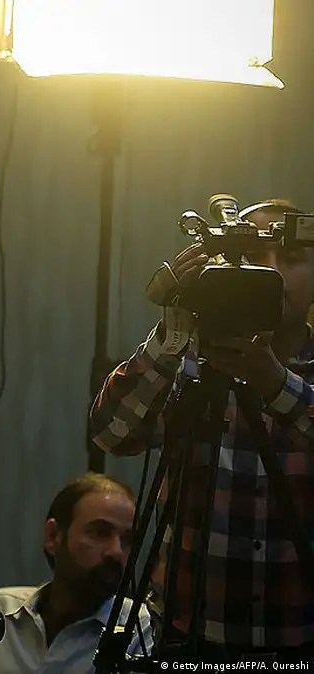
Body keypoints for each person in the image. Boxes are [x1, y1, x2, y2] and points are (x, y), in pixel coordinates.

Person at [91, 198, 314, 659]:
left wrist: (275, 383)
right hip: (186, 637)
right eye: (252, 255)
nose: (271, 270)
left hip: (301, 637)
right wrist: (172, 332)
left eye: (291, 257)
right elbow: (111, 433)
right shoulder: (187, 364)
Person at [0, 473, 151, 674]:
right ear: (53, 536)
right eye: (99, 533)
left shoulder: (141, 631)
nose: (116, 551)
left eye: (127, 540)